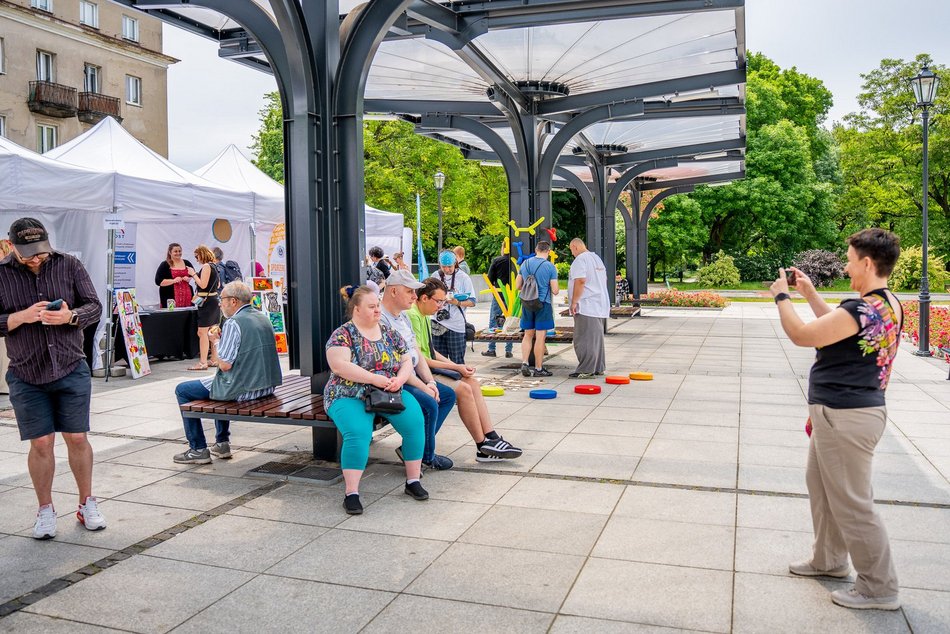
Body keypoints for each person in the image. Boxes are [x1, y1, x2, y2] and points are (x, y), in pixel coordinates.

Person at [772, 228, 903, 611]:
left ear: (867, 263)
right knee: (823, 487)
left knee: (852, 503)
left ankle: (879, 588)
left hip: (847, 415)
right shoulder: (884, 304)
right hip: (843, 412)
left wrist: (782, 296)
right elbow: (838, 327)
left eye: (849, 260)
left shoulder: (861, 308)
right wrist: (810, 293)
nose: (846, 268)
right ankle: (828, 559)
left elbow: (803, 334)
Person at [0, 218, 106, 539]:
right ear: (12, 246)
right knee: (42, 442)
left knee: (77, 438)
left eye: (41, 251)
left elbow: (95, 306)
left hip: (70, 366)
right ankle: (45, 509)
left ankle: (86, 503)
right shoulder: (1, 274)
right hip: (26, 372)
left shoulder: (69, 264)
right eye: (29, 253)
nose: (36, 258)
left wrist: (70, 316)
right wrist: (20, 317)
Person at [325, 286, 428, 514]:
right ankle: (351, 493)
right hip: (348, 393)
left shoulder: (389, 332)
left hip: (388, 390)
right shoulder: (343, 334)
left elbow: (406, 360)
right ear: (356, 309)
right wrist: (374, 379)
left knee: (415, 422)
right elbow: (339, 366)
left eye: (378, 305)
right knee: (358, 433)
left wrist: (400, 379)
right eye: (371, 307)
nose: (377, 310)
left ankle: (413, 481)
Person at [409, 278, 523, 462]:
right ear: (424, 298)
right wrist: (455, 366)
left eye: (443, 301)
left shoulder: (423, 315)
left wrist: (457, 367)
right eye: (439, 301)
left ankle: (491, 437)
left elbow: (430, 351)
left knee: (473, 383)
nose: (441, 306)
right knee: (464, 390)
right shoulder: (413, 315)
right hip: (420, 373)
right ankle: (482, 446)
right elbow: (422, 359)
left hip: (427, 369)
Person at [172, 281, 283, 464]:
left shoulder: (234, 322)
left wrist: (215, 341)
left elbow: (224, 365)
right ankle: (221, 443)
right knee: (218, 382)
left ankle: (198, 448)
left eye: (221, 299)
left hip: (245, 388)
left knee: (183, 390)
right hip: (266, 385)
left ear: (233, 301)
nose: (219, 303)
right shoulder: (262, 317)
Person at [379, 270, 456, 470]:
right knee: (430, 404)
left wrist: (430, 382)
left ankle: (413, 449)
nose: (415, 296)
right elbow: (396, 365)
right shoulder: (381, 319)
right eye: (410, 292)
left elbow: (417, 353)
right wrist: (424, 387)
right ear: (393, 291)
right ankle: (425, 456)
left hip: (410, 376)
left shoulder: (403, 316)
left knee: (447, 395)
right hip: (392, 381)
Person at [567, 238, 609, 378]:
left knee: (583, 338)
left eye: (571, 250)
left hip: (586, 304)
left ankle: (586, 369)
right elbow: (604, 279)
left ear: (575, 246)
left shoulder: (580, 260)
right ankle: (598, 367)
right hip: (599, 303)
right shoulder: (596, 259)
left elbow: (580, 281)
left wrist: (574, 302)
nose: (572, 253)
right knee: (596, 338)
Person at [516, 241, 559, 377]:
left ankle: (524, 362)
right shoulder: (550, 267)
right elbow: (555, 290)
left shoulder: (525, 264)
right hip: (543, 304)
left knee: (528, 335)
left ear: (536, 250)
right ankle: (538, 368)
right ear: (548, 251)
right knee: (540, 337)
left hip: (527, 303)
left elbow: (518, 286)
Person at [430, 250, 475, 363]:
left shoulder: (463, 277)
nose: (446, 270)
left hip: (456, 326)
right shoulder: (435, 276)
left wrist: (457, 302)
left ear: (455, 263)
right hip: (437, 323)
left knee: (457, 362)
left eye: (449, 266)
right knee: (439, 363)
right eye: (443, 267)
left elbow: (472, 302)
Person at [186, 245, 222, 371]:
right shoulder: (215, 266)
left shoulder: (207, 266)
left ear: (202, 255)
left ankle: (202, 362)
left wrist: (193, 274)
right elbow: (218, 284)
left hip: (207, 303)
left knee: (202, 332)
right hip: (213, 300)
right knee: (212, 331)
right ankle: (214, 359)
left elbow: (203, 284)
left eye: (197, 256)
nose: (196, 259)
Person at [483, 243, 514, 359]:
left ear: (503, 248)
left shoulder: (497, 261)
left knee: (493, 321)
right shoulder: (515, 261)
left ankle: (492, 349)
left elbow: (490, 279)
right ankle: (509, 350)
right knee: (510, 321)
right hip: (512, 296)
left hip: (499, 294)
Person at [154, 243, 194, 309]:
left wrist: (189, 278)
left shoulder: (187, 263)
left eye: (179, 251)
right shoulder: (165, 264)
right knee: (172, 314)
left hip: (187, 296)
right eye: (175, 251)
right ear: (170, 252)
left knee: (187, 313)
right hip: (169, 296)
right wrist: (174, 281)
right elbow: (158, 281)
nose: (178, 253)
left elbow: (193, 275)